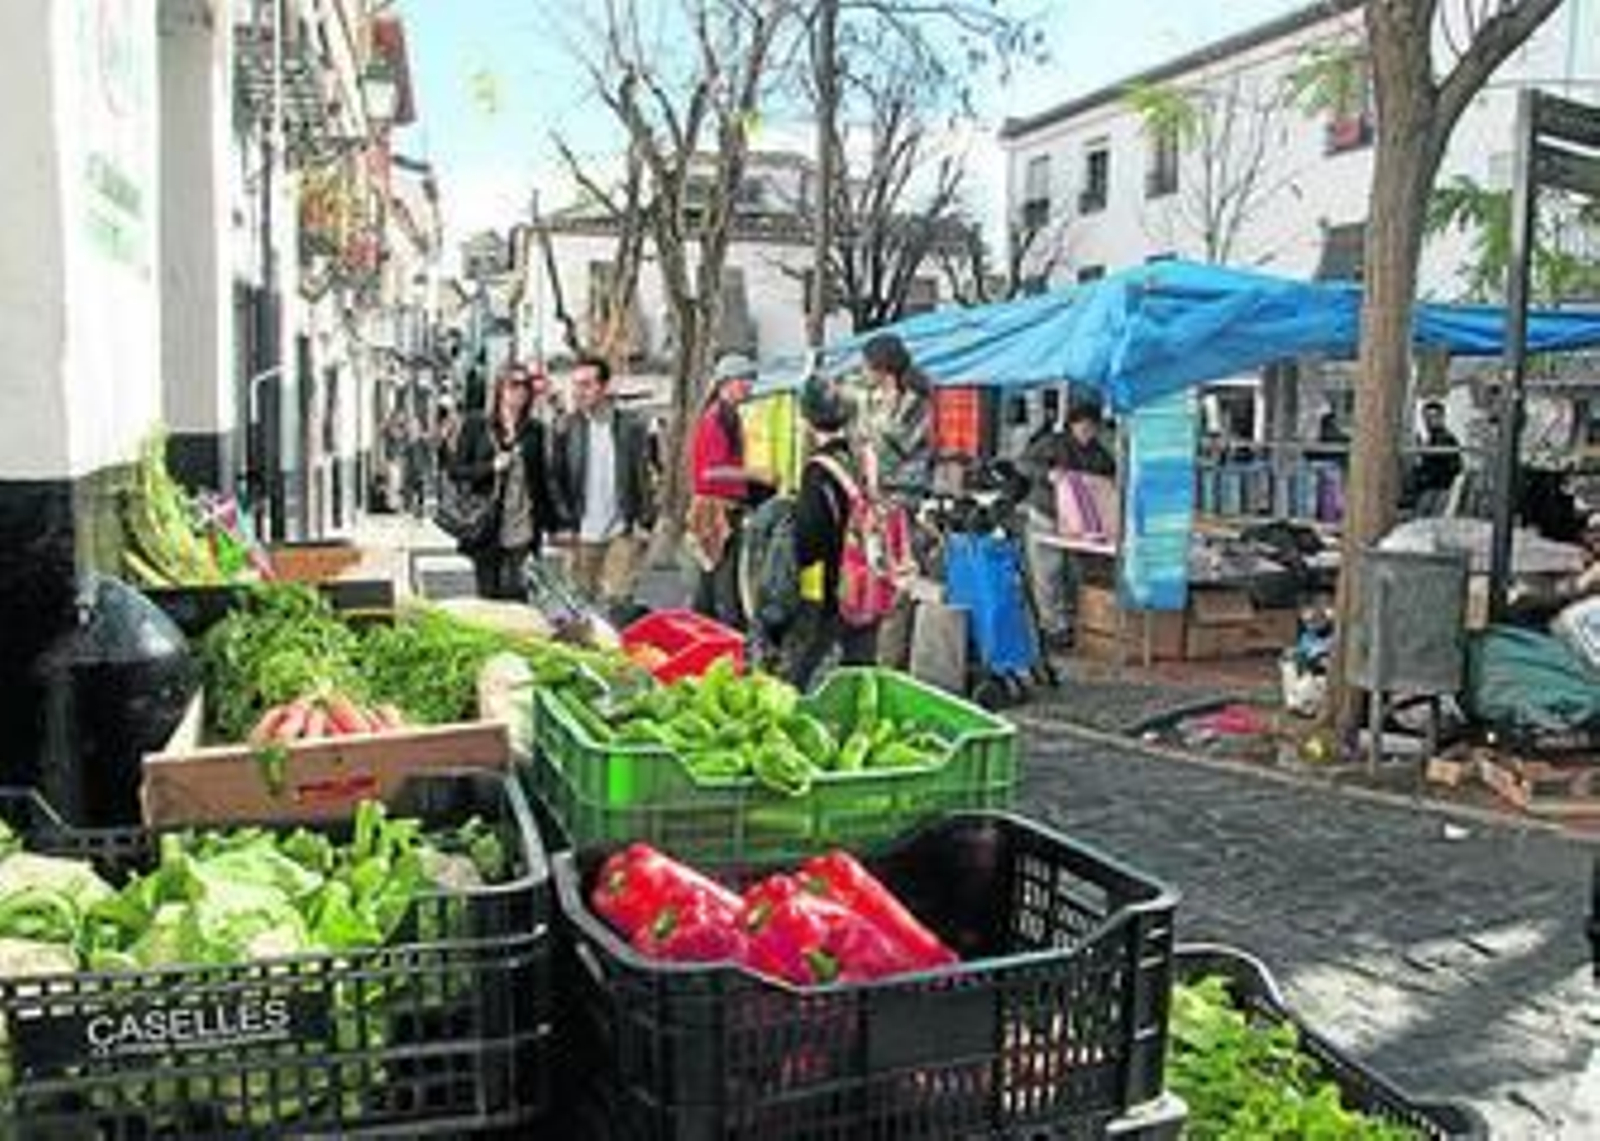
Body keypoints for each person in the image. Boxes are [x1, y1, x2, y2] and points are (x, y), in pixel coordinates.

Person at [784, 378, 878, 689]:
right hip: (867, 573)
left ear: (808, 421)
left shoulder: (819, 470)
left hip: (832, 579)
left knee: (813, 650)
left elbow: (810, 540)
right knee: (860, 650)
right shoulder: (861, 458)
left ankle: (798, 700)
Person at [553, 355, 655, 610]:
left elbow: (643, 474)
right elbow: (556, 479)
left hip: (621, 531)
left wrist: (645, 521)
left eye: (587, 384)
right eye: (576, 384)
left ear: (605, 387)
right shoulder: (565, 428)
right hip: (580, 534)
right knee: (579, 608)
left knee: (619, 604)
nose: (579, 391)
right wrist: (562, 523)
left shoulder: (630, 427)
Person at [450, 363, 558, 600]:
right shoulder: (476, 425)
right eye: (513, 384)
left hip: (524, 525)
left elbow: (541, 482)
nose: (519, 391)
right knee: (489, 597)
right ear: (499, 388)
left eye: (525, 386)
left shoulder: (535, 430)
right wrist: (491, 467)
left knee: (518, 594)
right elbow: (456, 470)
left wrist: (556, 525)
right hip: (487, 524)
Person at [1021, 401, 1117, 648]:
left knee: (1073, 572)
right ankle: (1050, 627)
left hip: (1078, 524)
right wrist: (1048, 474)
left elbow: (1110, 478)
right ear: (1072, 425)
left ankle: (1069, 624)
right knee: (1048, 572)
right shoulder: (1053, 442)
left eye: (1092, 428)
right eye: (1083, 427)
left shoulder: (1099, 453)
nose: (1088, 432)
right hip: (1047, 514)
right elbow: (1023, 463)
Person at [689, 353, 768, 627]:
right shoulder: (716, 418)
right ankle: (729, 641)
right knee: (724, 584)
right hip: (715, 508)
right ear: (726, 383)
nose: (749, 386)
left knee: (710, 583)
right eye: (744, 380)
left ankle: (702, 633)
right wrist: (755, 474)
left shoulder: (728, 415)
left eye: (750, 380)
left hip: (720, 506)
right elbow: (711, 471)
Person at [1409, 399, 1463, 515]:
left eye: (1434, 417)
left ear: (1442, 417)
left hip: (1437, 490)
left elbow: (1455, 466)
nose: (1430, 421)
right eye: (1427, 417)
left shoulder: (1446, 439)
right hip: (1430, 489)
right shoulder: (1431, 439)